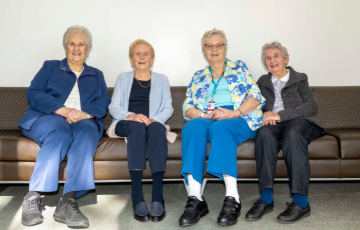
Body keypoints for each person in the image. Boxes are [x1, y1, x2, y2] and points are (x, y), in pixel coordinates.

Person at [18, 25, 110, 228]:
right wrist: (64, 111)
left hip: (83, 120)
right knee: (59, 133)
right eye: (72, 44)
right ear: (65, 47)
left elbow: (103, 103)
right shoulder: (51, 67)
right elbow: (33, 93)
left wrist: (83, 115)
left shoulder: (97, 74)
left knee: (87, 133)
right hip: (48, 117)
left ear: (88, 48)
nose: (76, 48)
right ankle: (32, 197)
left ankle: (67, 202)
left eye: (81, 45)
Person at [179, 28, 265, 227]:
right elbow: (187, 106)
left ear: (225, 48)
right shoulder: (198, 76)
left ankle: (232, 197)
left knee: (222, 128)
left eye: (218, 45)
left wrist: (234, 112)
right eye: (209, 46)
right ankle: (195, 199)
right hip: (209, 116)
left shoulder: (239, 68)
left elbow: (256, 97)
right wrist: (204, 115)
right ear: (203, 50)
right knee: (193, 127)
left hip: (239, 117)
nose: (214, 49)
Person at [245, 41, 324, 223]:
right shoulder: (262, 82)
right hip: (275, 123)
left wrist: (280, 115)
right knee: (264, 134)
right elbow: (258, 106)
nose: (272, 60)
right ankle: (266, 198)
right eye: (268, 58)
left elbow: (312, 106)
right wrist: (266, 115)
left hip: (301, 121)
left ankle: (301, 201)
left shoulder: (300, 78)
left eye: (276, 56)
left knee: (293, 135)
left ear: (286, 59)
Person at [108, 39, 173, 222]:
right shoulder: (123, 78)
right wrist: (131, 116)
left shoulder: (162, 79)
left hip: (152, 123)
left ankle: (157, 195)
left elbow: (168, 108)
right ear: (131, 59)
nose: (142, 57)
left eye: (146, 54)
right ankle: (137, 195)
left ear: (152, 59)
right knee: (137, 127)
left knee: (157, 129)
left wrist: (154, 119)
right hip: (126, 123)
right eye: (138, 54)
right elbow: (113, 107)